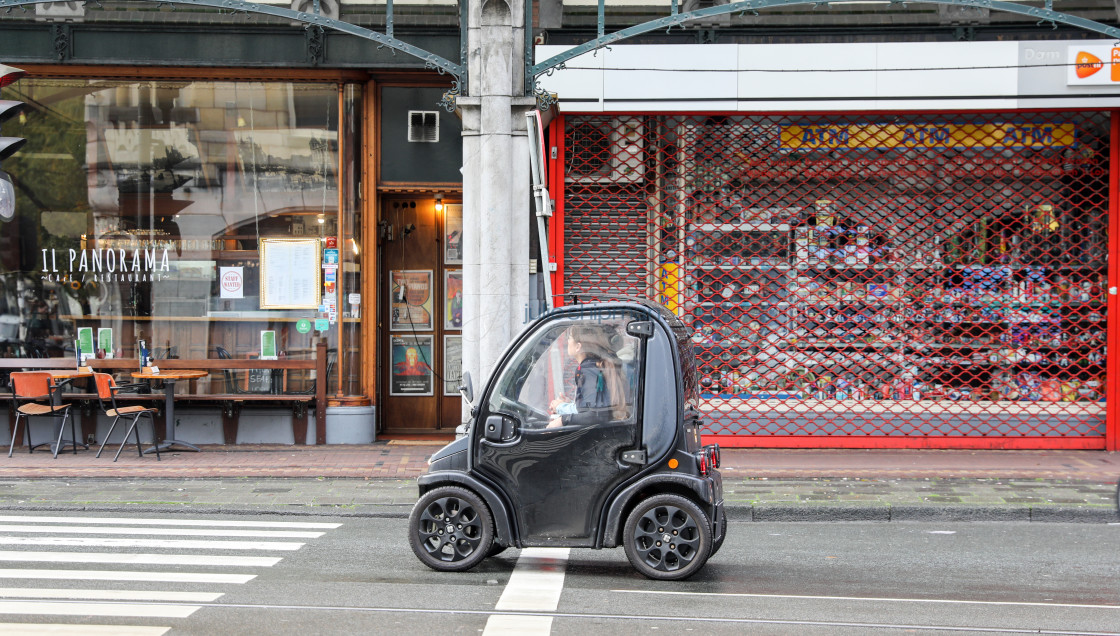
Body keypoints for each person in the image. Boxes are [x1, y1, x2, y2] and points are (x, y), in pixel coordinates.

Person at [547, 325, 629, 428]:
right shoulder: (597, 366)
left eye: (570, 338)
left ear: (578, 347)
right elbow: (593, 406)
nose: (567, 341)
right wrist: (573, 404)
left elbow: (596, 414)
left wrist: (563, 418)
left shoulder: (588, 370)